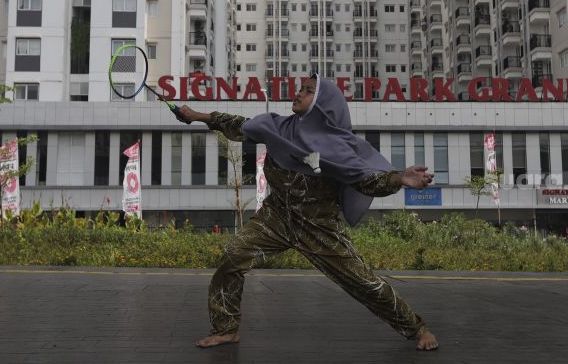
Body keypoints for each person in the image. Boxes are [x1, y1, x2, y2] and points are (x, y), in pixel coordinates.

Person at [177, 75, 439, 351]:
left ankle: (417, 327)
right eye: (300, 89)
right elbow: (239, 125)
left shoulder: (338, 147)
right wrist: (195, 115)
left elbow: (365, 180)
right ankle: (226, 329)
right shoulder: (277, 127)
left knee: (365, 283)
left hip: (318, 226)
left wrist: (399, 178)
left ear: (323, 104)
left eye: (308, 91)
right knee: (231, 260)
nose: (298, 94)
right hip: (276, 218)